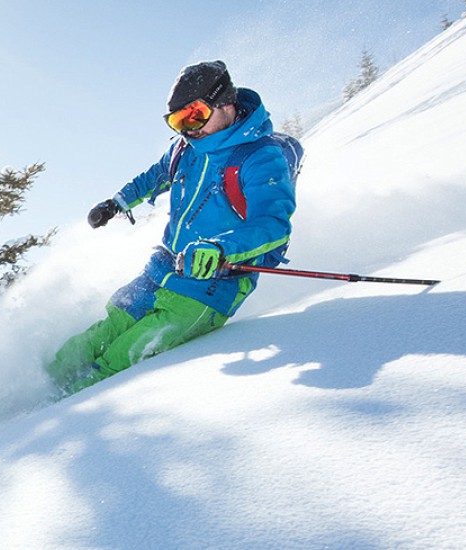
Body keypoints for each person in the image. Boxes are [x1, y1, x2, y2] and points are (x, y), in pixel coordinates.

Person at [48, 60, 301, 395]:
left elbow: (273, 224)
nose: (187, 129)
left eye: (193, 115)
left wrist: (220, 248)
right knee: (91, 341)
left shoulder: (260, 157)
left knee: (119, 361)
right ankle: (27, 398)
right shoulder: (187, 148)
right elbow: (155, 175)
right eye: (177, 121)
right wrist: (117, 203)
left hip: (209, 287)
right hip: (162, 268)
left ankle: (37, 425)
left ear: (224, 102)